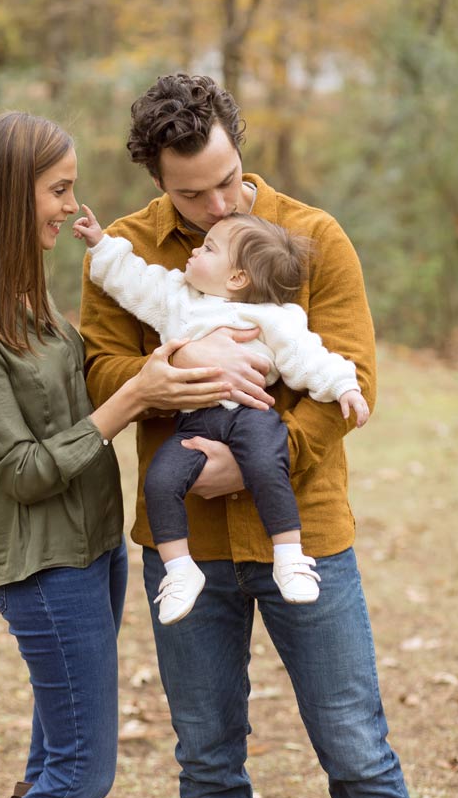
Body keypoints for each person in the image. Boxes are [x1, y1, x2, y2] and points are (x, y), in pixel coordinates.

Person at [79, 74, 415, 798]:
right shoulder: (128, 252)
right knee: (206, 758)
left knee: (357, 751)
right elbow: (100, 369)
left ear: (241, 151)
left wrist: (262, 460)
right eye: (193, 196)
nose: (218, 206)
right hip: (185, 543)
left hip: (306, 531)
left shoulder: (314, 238)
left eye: (227, 182)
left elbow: (347, 381)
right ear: (158, 181)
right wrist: (179, 375)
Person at [0, 111, 233, 798]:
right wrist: (135, 396)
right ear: (5, 195)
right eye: (58, 190)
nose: (72, 207)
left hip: (93, 550)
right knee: (83, 776)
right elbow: (22, 470)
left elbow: (76, 405)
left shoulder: (32, 307)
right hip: (44, 568)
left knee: (52, 765)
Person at [74, 207, 369, 623]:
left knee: (268, 463)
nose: (196, 250)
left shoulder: (272, 316)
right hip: (195, 423)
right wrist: (101, 245)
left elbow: (308, 358)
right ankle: (180, 571)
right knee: (161, 481)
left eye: (209, 248)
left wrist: (345, 387)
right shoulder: (177, 299)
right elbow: (134, 283)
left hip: (251, 415)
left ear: (236, 278)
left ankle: (289, 555)